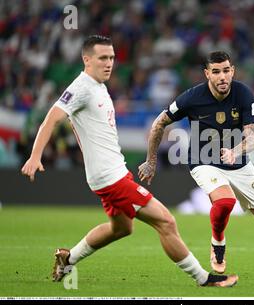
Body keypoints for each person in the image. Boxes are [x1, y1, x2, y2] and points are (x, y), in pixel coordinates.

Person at [20, 35, 238, 288]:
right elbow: (51, 119)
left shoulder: (98, 86)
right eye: (103, 57)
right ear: (86, 59)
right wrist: (35, 156)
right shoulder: (81, 88)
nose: (109, 63)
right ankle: (204, 278)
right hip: (109, 178)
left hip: (114, 173)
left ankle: (68, 258)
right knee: (166, 221)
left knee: (122, 228)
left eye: (112, 57)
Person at [138, 51, 254, 280]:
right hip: (203, 160)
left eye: (226, 70)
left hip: (237, 162)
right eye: (216, 72)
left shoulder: (243, 94)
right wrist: (151, 162)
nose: (222, 77)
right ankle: (217, 243)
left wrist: (235, 151)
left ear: (233, 71)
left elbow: (253, 135)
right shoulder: (191, 98)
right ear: (207, 74)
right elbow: (159, 123)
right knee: (225, 201)